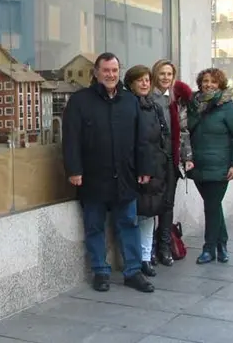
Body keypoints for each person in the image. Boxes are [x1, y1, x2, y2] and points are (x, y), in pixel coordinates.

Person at [63, 52, 155, 293]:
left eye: (115, 71)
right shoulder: (80, 101)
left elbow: (141, 139)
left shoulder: (129, 101)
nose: (111, 75)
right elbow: (71, 140)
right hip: (92, 177)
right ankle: (100, 271)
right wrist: (74, 169)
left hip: (125, 176)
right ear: (96, 72)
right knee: (94, 226)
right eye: (106, 71)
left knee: (129, 223)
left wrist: (144, 168)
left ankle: (133, 271)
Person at [187, 68, 233, 264]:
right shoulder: (194, 105)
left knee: (211, 206)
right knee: (213, 206)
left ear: (220, 85)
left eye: (213, 82)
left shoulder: (227, 107)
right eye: (205, 81)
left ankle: (209, 248)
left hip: (220, 167)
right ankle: (222, 244)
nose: (209, 85)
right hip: (198, 166)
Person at [124, 65, 171, 277]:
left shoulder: (154, 106)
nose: (144, 83)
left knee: (149, 214)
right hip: (133, 170)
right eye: (139, 80)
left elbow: (163, 138)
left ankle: (145, 256)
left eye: (147, 80)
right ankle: (134, 259)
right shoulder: (126, 105)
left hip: (154, 169)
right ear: (131, 83)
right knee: (132, 217)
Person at [150, 59, 194, 266]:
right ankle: (149, 247)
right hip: (152, 160)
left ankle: (165, 246)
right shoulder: (148, 98)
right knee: (150, 204)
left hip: (171, 159)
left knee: (168, 204)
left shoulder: (177, 100)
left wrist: (187, 158)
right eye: (162, 74)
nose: (166, 78)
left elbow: (184, 132)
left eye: (169, 74)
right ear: (155, 75)